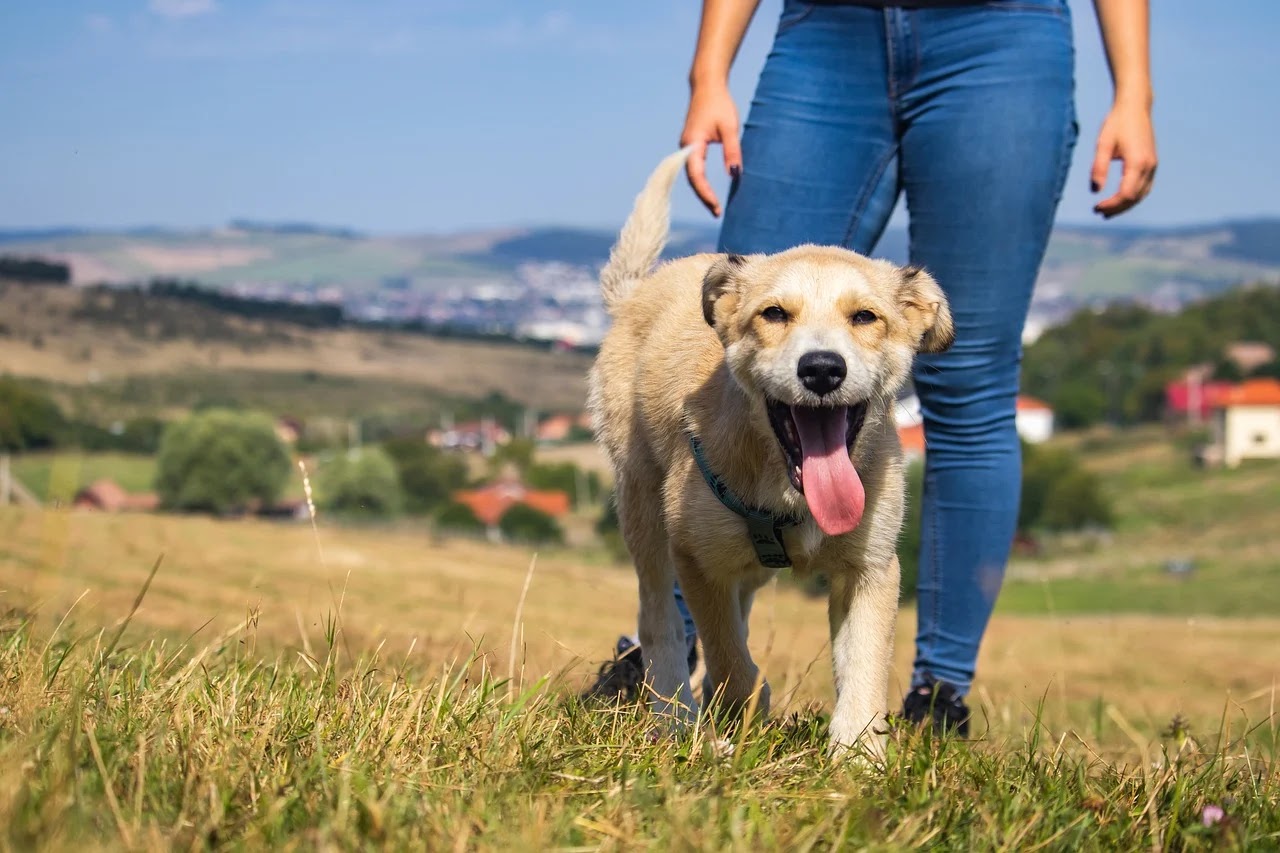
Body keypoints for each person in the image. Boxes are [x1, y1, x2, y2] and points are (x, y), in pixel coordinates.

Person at [584, 0, 1156, 735]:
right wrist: (709, 72)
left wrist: (1134, 89)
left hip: (1003, 36)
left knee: (971, 374)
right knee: (750, 320)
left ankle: (934, 697)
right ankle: (684, 652)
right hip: (827, 32)